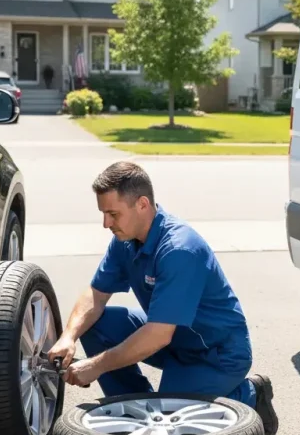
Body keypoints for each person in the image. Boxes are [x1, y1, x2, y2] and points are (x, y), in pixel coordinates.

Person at [47, 160, 278, 434]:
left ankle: (250, 394)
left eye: (113, 214)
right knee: (98, 324)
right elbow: (95, 295)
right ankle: (135, 407)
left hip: (215, 353)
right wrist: (68, 337)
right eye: (103, 213)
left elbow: (158, 335)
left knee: (173, 419)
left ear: (142, 204)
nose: (105, 223)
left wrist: (95, 366)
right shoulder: (125, 239)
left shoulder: (180, 249)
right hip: (172, 336)